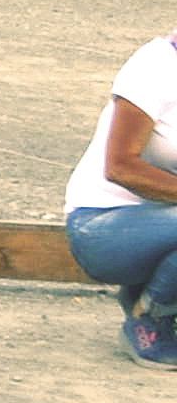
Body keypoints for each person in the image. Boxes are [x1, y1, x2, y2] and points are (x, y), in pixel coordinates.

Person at [60, 23, 177, 367]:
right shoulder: (156, 67)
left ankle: (152, 296)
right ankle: (150, 318)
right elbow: (121, 167)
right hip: (101, 227)